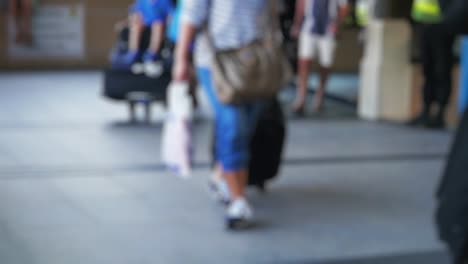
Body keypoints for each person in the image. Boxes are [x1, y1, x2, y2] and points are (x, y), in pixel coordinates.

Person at [174, 0, 276, 230]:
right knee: (234, 125)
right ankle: (238, 201)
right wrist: (181, 60)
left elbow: (269, 15)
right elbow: (191, 15)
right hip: (216, 61)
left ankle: (220, 175)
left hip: (255, 61)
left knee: (246, 127)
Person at [290, 0, 349, 115]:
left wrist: (337, 25)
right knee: (304, 62)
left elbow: (344, 7)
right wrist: (297, 23)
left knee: (326, 64)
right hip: (309, 26)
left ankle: (320, 95)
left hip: (328, 28)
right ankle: (301, 98)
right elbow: (301, 3)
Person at [408, 0, 456, 129]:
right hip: (425, 23)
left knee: (441, 69)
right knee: (427, 69)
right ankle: (426, 111)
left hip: (443, 24)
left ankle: (440, 114)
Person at [123, 0, 174, 76]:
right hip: (146, 23)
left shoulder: (165, 1)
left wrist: (169, 25)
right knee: (136, 25)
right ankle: (134, 53)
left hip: (160, 24)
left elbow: (171, 15)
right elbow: (137, 13)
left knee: (157, 25)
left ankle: (152, 55)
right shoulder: (143, 1)